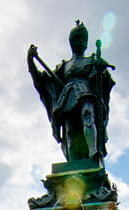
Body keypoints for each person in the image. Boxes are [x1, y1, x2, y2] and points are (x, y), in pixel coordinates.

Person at [27, 20, 114, 164]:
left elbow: (103, 78)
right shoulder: (63, 66)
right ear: (71, 43)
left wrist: (101, 68)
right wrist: (30, 59)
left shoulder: (91, 60)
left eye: (82, 40)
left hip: (86, 92)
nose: (79, 43)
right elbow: (42, 81)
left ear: (86, 43)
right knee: (69, 130)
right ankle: (73, 163)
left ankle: (93, 150)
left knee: (87, 114)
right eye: (76, 39)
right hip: (67, 98)